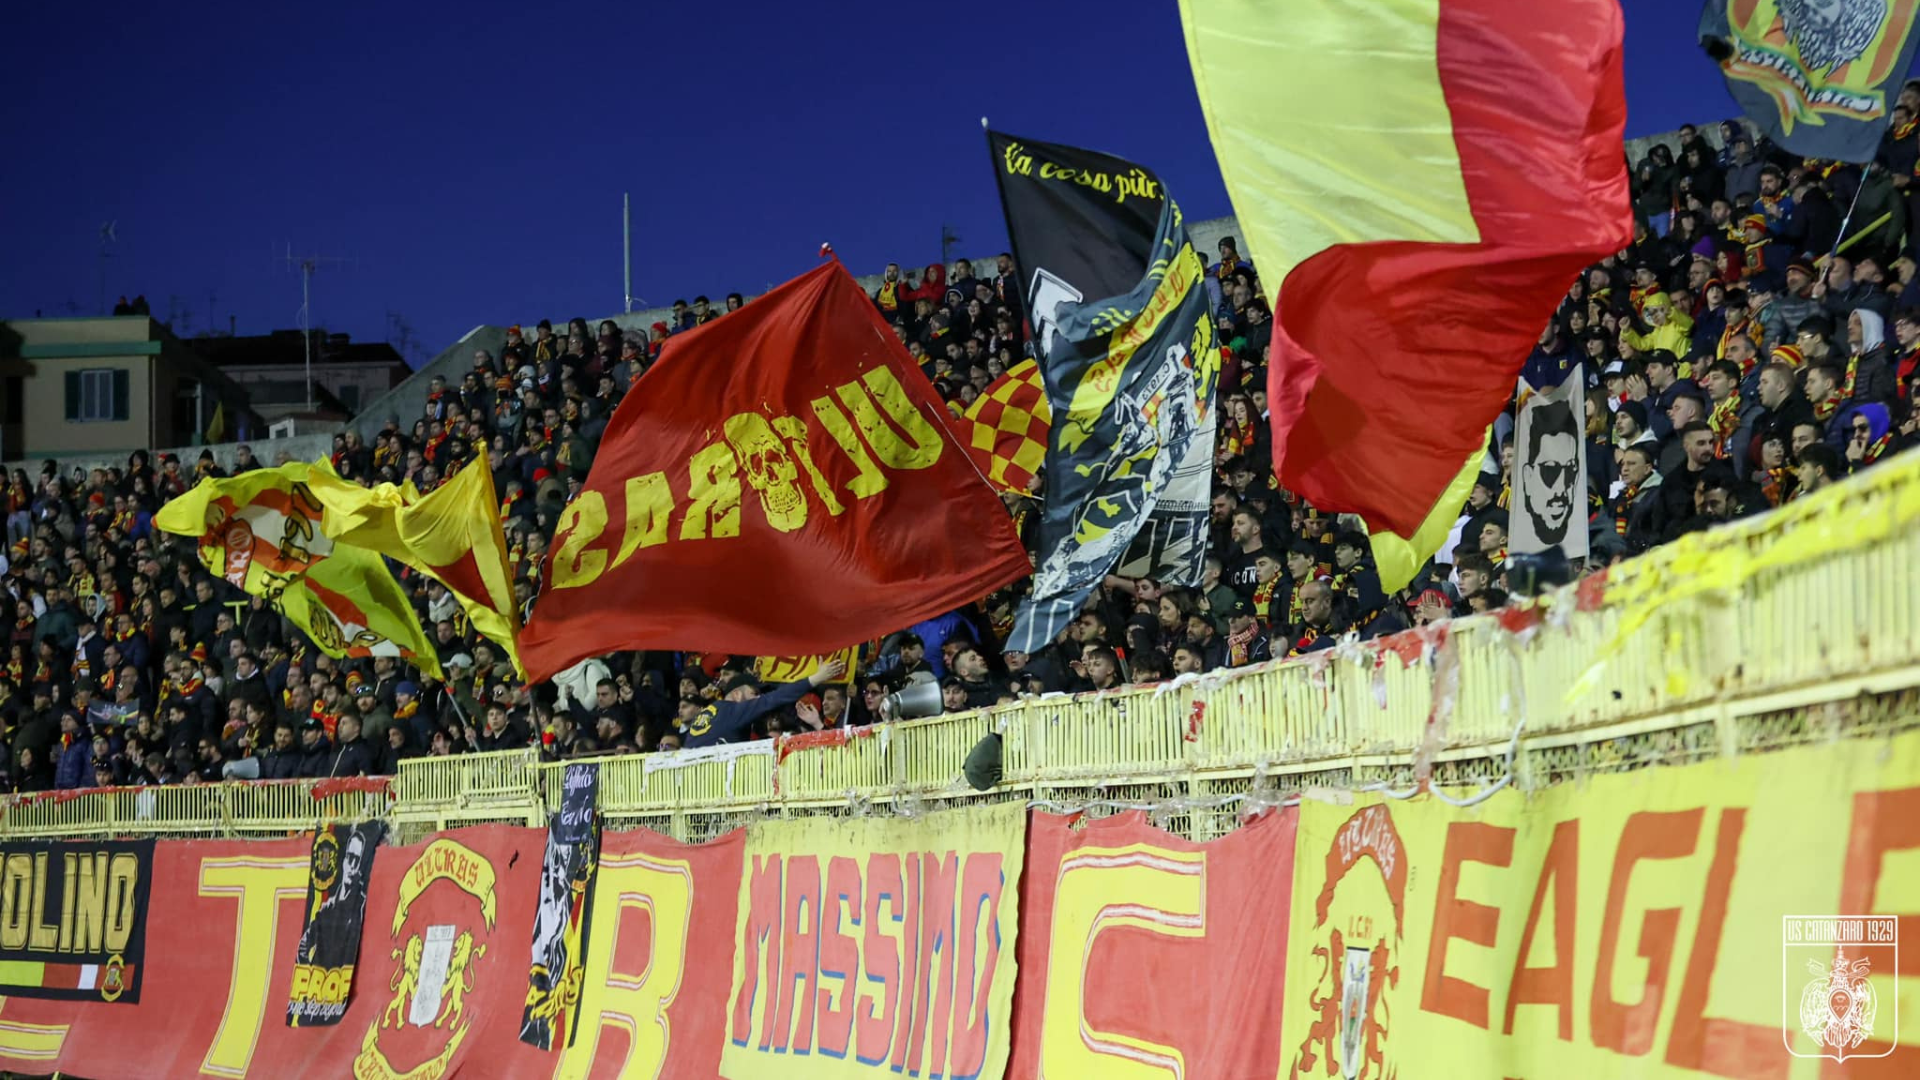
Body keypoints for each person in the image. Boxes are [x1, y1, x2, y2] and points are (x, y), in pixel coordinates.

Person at [679, 658, 847, 748]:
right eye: (754, 693)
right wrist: (816, 678)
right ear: (737, 695)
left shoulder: (706, 715)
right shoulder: (732, 711)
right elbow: (772, 700)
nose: (758, 698)